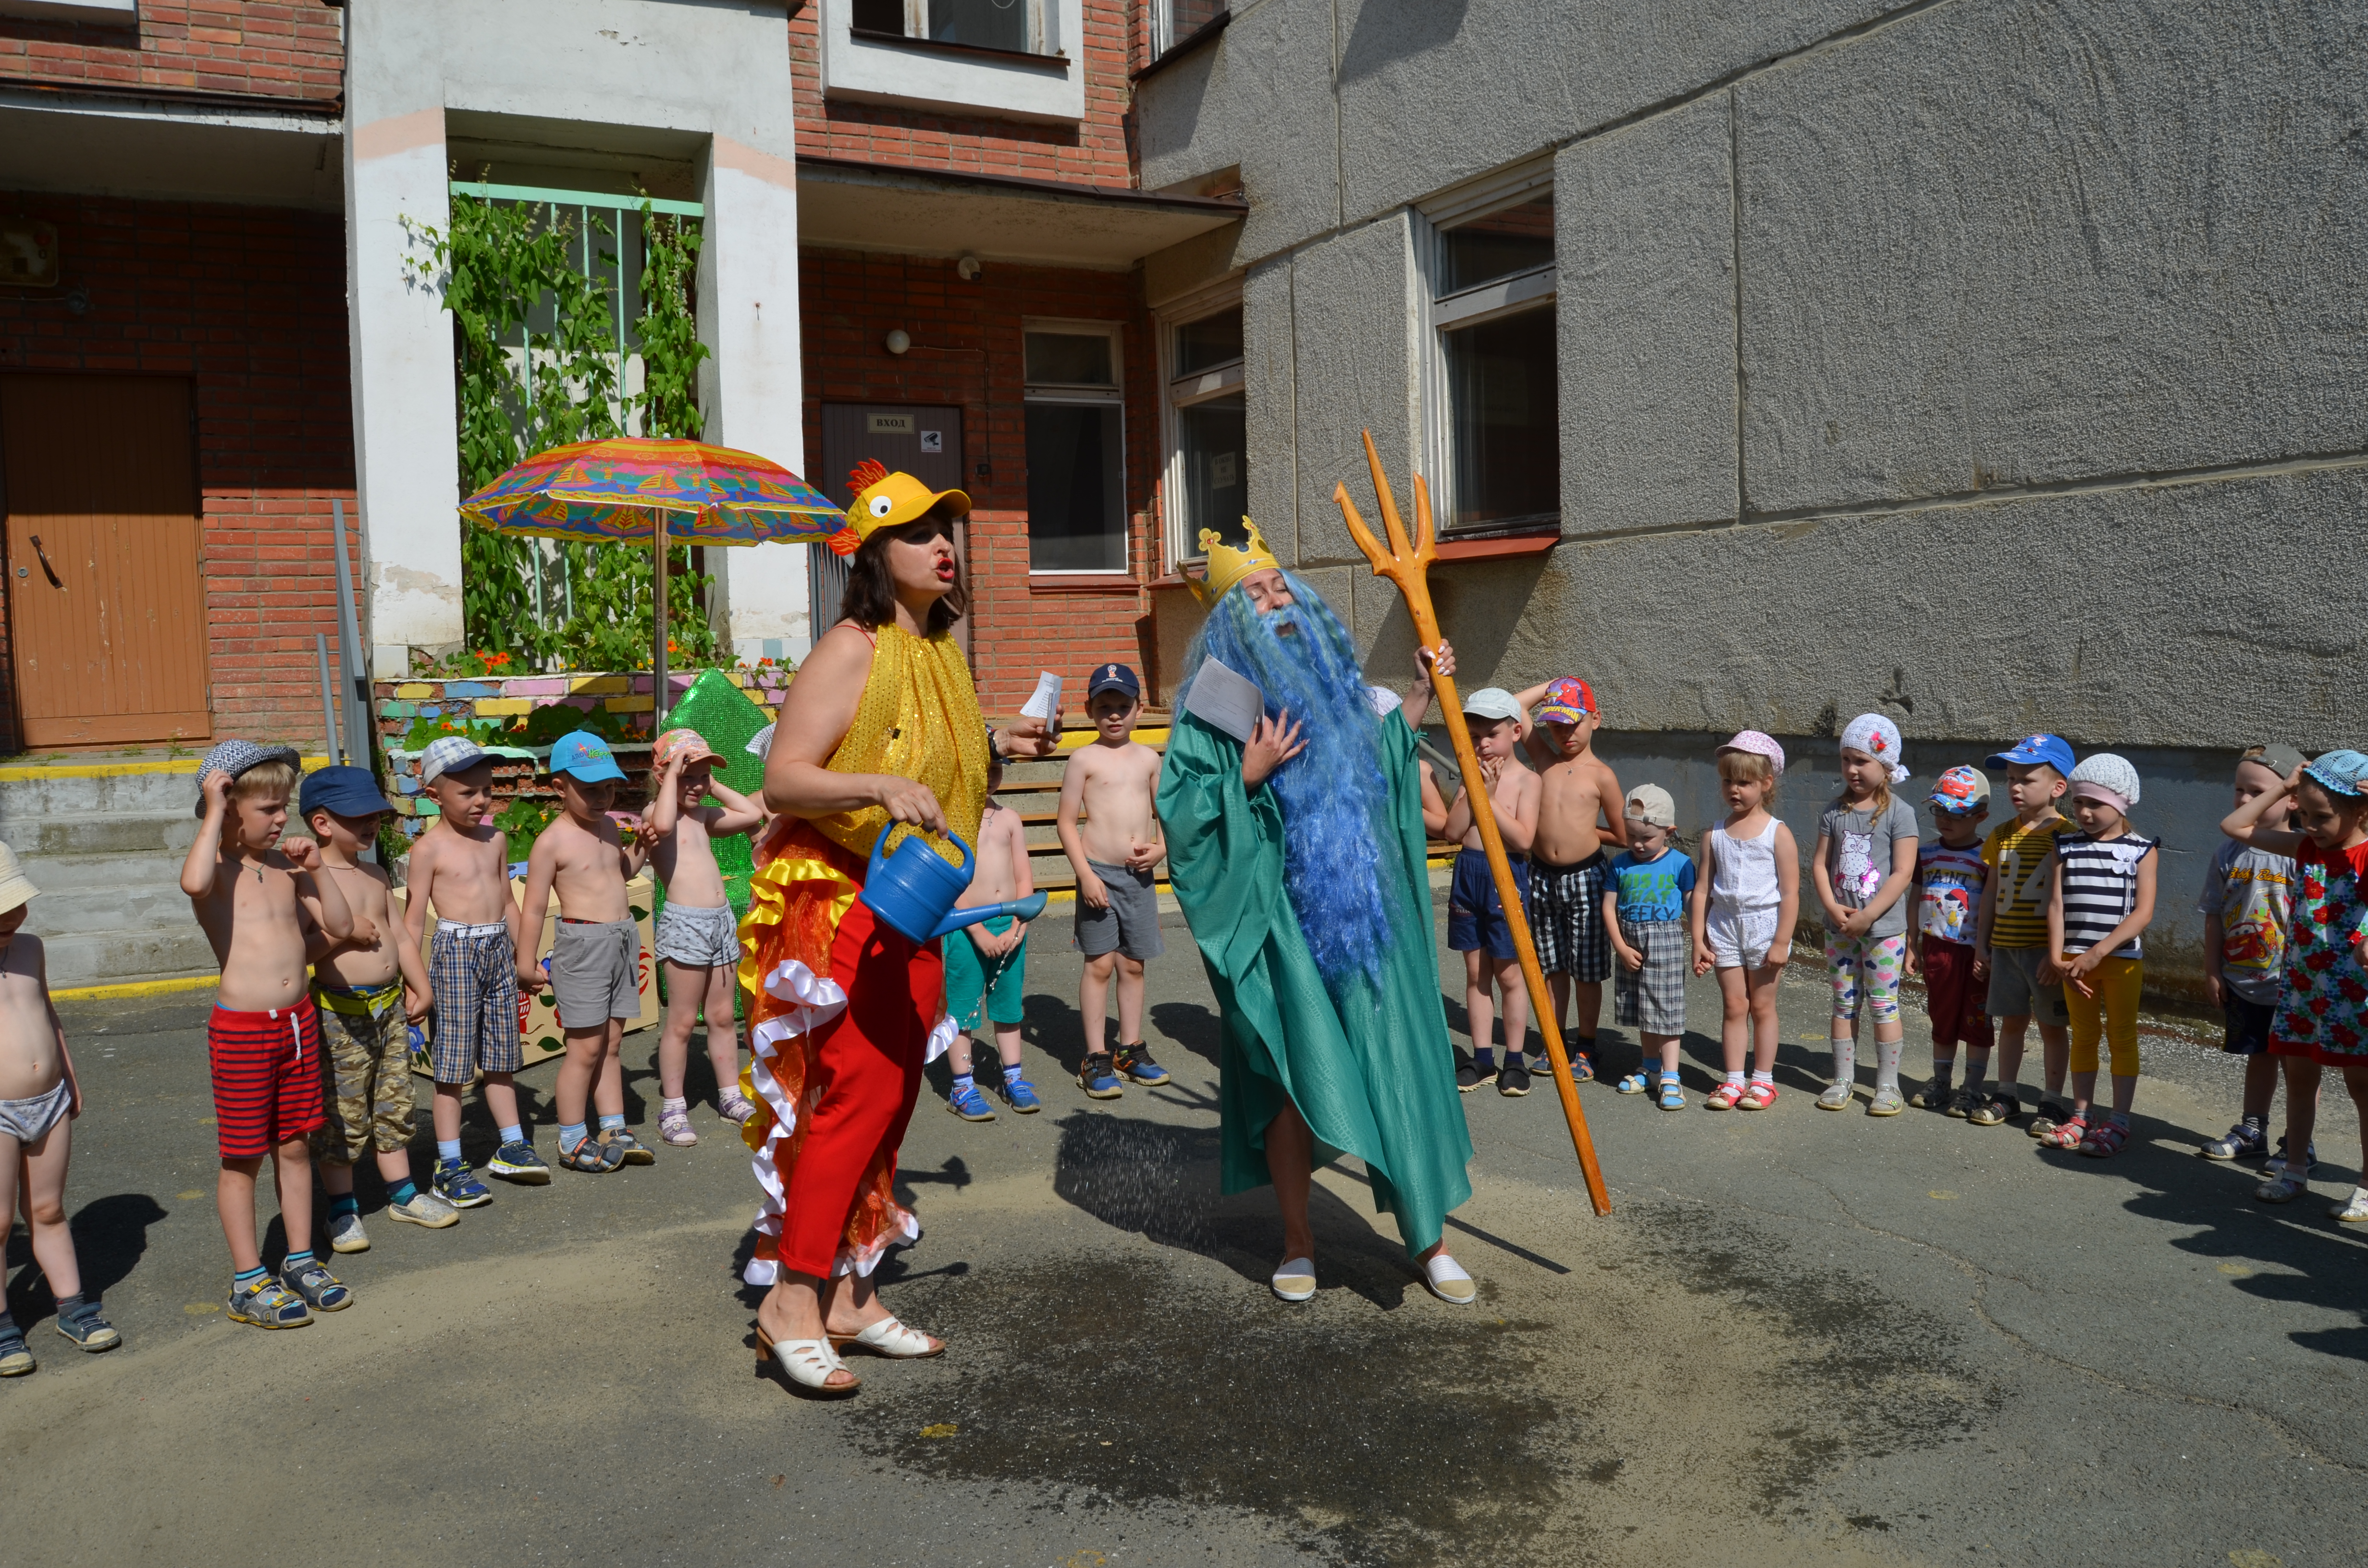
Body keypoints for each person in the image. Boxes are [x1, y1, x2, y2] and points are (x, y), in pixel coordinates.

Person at [743, 461, 1057, 1396]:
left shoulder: (940, 654)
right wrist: (875, 787)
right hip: (846, 902)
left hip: (915, 909)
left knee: (888, 1112)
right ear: (877, 551)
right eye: (921, 531)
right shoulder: (851, 645)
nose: (943, 545)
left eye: (948, 529)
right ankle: (790, 1304)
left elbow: (927, 761)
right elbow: (785, 779)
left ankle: (851, 1293)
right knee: (850, 1107)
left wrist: (997, 745)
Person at [1157, 520, 1479, 1306]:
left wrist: (1415, 697)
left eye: (1281, 587)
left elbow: (1384, 767)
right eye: (1257, 594)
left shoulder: (1342, 690)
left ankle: (1428, 1239)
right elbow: (1187, 815)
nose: (1276, 599)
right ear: (1232, 621)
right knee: (1291, 1082)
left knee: (1396, 1061)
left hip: (1364, 917)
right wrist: (1249, 775)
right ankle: (1297, 1241)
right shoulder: (1214, 711)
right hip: (1282, 927)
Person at [180, 740, 357, 1328]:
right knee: (242, 1158)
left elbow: (340, 924)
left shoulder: (286, 868)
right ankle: (248, 1279)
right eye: (269, 809)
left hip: (298, 1024)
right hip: (242, 1033)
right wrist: (212, 809)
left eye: (286, 807)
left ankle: (300, 1260)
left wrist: (316, 869)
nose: (284, 819)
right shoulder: (220, 872)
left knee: (296, 1145)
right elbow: (193, 883)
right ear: (230, 808)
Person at [298, 766, 453, 1251]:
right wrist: (343, 932)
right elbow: (301, 951)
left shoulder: (375, 872)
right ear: (322, 823)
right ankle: (342, 1208)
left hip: (388, 1009)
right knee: (341, 1110)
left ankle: (402, 1192)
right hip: (339, 1014)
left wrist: (419, 983)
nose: (370, 825)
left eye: (375, 816)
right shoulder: (305, 881)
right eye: (358, 817)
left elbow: (401, 934)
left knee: (393, 1101)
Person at [2224, 751, 2368, 1215]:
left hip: (2354, 999)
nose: (2309, 824)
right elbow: (2236, 827)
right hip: (2304, 992)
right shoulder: (2306, 848)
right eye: (2303, 814)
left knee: (2363, 1090)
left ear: (2361, 812)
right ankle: (2295, 1171)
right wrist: (2287, 787)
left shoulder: (2366, 855)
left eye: (2321, 817)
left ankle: (2366, 1186)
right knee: (2300, 1082)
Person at [402, 735, 544, 1204]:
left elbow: (507, 901)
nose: (481, 800)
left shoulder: (495, 840)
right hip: (456, 953)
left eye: (486, 789)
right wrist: (415, 984)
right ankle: (449, 1163)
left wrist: (525, 961)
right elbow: (412, 920)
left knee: (502, 1058)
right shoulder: (428, 851)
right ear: (433, 795)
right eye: (467, 793)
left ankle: (512, 1145)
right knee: (453, 1068)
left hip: (497, 951)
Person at [0, 843, 118, 1374]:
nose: (12, 917)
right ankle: (4, 1325)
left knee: (47, 1208)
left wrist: (68, 1071)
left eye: (15, 904)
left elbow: (47, 1010)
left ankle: (72, 1305)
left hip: (47, 1100)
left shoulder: (29, 947)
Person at [517, 731, 650, 1174]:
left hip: (622, 938)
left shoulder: (609, 827)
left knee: (612, 1044)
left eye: (608, 787)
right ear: (559, 788)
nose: (602, 797)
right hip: (583, 946)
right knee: (584, 1049)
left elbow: (621, 872)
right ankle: (572, 1137)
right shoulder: (551, 843)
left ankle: (613, 1126)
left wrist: (641, 849)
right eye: (590, 790)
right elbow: (533, 908)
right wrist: (526, 960)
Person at [644, 727, 765, 1146]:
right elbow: (660, 822)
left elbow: (751, 815)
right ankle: (673, 1106)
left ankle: (730, 1095)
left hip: (718, 924)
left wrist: (712, 783)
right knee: (680, 1021)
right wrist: (674, 772)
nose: (697, 785)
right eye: (688, 776)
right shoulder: (654, 815)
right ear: (664, 776)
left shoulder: (702, 816)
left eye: (703, 777)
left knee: (720, 1017)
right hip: (685, 924)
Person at [2037, 753, 2159, 1157]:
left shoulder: (2142, 850)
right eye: (2078, 802)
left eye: (2096, 804)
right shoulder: (2065, 845)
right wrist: (2058, 956)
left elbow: (2143, 913)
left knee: (2122, 1035)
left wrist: (2097, 953)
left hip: (2120, 961)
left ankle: (2120, 1119)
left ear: (2122, 803)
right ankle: (2082, 1115)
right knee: (2084, 1034)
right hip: (2073, 963)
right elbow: (2056, 903)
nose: (2085, 812)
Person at [1057, 662, 1169, 1099]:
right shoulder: (1083, 758)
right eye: (1105, 707)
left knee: (1133, 964)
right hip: (1098, 877)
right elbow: (1066, 823)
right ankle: (1095, 1057)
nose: (1115, 715)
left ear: (1139, 709)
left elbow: (1168, 817)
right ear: (1090, 711)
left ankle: (1130, 1048)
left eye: (1124, 705)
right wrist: (1084, 875)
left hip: (1138, 878)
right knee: (1100, 964)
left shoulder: (1148, 758)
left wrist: (1162, 849)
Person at [1511, 676, 1626, 1084]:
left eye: (1572, 724)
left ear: (1595, 720)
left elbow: (1623, 834)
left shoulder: (1603, 776)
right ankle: (1555, 1039)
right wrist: (1554, 686)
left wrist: (1585, 834)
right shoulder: (1544, 759)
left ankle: (1587, 1044)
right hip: (1540, 877)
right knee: (1551, 965)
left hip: (1586, 879)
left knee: (1587, 968)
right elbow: (1513, 706)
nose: (1564, 734)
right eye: (1556, 726)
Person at [2195, 745, 2306, 1163]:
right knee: (2258, 1056)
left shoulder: (2302, 851)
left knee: (2298, 1068)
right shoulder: (2228, 853)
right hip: (2243, 980)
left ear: (2292, 798)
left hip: (2293, 984)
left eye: (2256, 791)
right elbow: (2213, 915)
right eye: (2238, 790)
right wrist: (2211, 971)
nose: (2244, 800)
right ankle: (2253, 1128)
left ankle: (2300, 1141)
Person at [1810, 715, 1922, 1117]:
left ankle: (1888, 1086)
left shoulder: (1901, 814)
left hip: (1884, 931)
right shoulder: (1834, 811)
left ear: (1886, 766)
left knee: (1883, 1005)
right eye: (1846, 760)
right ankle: (1842, 1080)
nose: (1853, 770)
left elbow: (1903, 873)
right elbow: (1820, 866)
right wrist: (1832, 907)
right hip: (1839, 928)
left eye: (1863, 761)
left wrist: (1868, 916)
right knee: (1844, 1003)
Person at [1967, 735, 2076, 1133]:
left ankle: (2051, 1102)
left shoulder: (2068, 837)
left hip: (2043, 954)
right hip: (2006, 949)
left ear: (2058, 787)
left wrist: (2057, 953)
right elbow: (1990, 893)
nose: (2015, 787)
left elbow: (2071, 901)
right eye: (2011, 778)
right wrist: (1983, 944)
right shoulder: (2000, 835)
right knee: (2011, 1022)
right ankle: (2007, 1094)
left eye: (2027, 780)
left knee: (2052, 1027)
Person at [1692, 732, 1799, 1110]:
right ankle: (1735, 1080)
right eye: (1728, 781)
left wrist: (1782, 941)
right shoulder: (1714, 834)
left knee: (1762, 1007)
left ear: (1766, 784)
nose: (1734, 790)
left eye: (1745, 782)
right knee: (1735, 1005)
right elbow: (1702, 890)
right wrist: (1698, 939)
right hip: (1723, 927)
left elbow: (1790, 894)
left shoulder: (1778, 833)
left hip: (1763, 928)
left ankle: (1764, 1081)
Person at [1442, 687, 1541, 1094]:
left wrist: (1490, 797)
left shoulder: (1527, 780)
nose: (1482, 743)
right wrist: (1473, 791)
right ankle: (1482, 1058)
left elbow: (1522, 840)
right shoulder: (1471, 774)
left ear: (1516, 732)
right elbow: (1452, 831)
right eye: (1475, 734)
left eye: (1491, 734)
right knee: (1476, 971)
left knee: (1509, 973)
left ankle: (1514, 1060)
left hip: (1506, 876)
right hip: (1469, 872)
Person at [944, 750, 1040, 1120]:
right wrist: (979, 931)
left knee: (1008, 1007)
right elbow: (953, 883)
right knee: (963, 1010)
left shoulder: (1010, 819)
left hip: (1010, 925)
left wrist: (1021, 924)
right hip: (967, 928)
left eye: (996, 768)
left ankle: (1013, 1078)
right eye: (981, 768)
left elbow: (1023, 877)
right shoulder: (951, 820)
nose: (990, 775)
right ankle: (962, 1086)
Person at [1905, 766, 1995, 1115]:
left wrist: (1988, 948)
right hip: (1937, 949)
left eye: (1956, 813)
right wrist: (1912, 943)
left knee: (1976, 1018)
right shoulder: (1925, 854)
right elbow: (1915, 899)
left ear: (1980, 817)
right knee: (1941, 1016)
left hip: (1975, 953)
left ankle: (1972, 1088)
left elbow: (1994, 904)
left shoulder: (1988, 856)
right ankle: (1941, 1080)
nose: (1945, 819)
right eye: (1939, 810)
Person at [1603, 785, 1696, 1110]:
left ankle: (1671, 1075)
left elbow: (1692, 906)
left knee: (1667, 1011)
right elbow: (1608, 907)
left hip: (1665, 942)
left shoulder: (1681, 864)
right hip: (1631, 943)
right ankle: (1651, 1066)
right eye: (1632, 837)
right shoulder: (1619, 865)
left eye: (1647, 838)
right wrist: (1620, 947)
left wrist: (1701, 943)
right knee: (1644, 1009)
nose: (1638, 845)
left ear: (1669, 832)